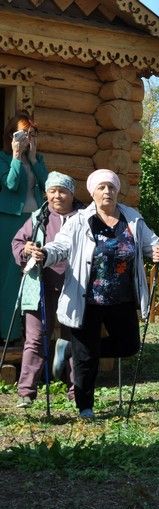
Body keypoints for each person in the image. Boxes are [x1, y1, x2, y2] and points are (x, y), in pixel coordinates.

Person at [23, 169, 159, 419]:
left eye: (111, 187)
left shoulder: (132, 218)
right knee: (86, 359)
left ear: (118, 190)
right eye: (101, 187)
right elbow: (60, 246)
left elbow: (151, 244)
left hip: (122, 297)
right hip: (87, 297)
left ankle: (68, 350)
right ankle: (85, 407)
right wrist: (45, 254)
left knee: (129, 345)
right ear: (92, 192)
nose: (107, 191)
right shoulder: (79, 220)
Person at [10, 172, 79, 408]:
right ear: (46, 193)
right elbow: (18, 243)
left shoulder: (84, 218)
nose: (57, 195)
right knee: (36, 338)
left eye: (63, 191)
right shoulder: (38, 218)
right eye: (52, 191)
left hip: (75, 284)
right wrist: (26, 249)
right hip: (41, 284)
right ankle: (26, 392)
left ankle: (77, 391)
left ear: (72, 193)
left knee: (75, 338)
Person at [1, 112, 48, 342]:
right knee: (9, 276)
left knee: (32, 274)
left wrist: (34, 157)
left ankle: (30, 334)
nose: (27, 138)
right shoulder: (2, 158)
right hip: (9, 221)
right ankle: (6, 334)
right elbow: (10, 184)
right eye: (23, 134)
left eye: (31, 134)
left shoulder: (37, 159)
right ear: (11, 136)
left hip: (35, 221)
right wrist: (16, 156)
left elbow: (48, 185)